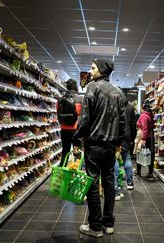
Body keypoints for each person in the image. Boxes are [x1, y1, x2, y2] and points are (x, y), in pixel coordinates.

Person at [74, 59, 125, 238]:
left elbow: (85, 117)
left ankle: (95, 226)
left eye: (93, 67)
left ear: (101, 70)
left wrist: (76, 138)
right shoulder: (118, 92)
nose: (90, 70)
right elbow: (122, 121)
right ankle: (108, 223)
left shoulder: (92, 88)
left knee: (93, 183)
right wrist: (119, 142)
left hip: (94, 144)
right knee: (110, 182)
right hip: (111, 145)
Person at [56, 79, 82, 166]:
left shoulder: (60, 99)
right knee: (77, 152)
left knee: (65, 152)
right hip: (76, 130)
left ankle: (61, 174)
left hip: (64, 129)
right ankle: (76, 173)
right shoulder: (79, 99)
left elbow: (58, 112)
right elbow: (81, 115)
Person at [115, 95, 136, 201]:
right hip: (127, 136)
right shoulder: (131, 107)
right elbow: (133, 124)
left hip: (116, 135)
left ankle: (117, 185)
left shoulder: (114, 104)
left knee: (115, 160)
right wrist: (133, 137)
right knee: (127, 157)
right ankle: (130, 183)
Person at [136, 103, 155, 180]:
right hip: (150, 137)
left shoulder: (144, 116)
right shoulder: (150, 115)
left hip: (144, 137)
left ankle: (139, 171)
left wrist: (143, 139)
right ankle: (150, 173)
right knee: (150, 154)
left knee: (139, 153)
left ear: (142, 108)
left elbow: (145, 128)